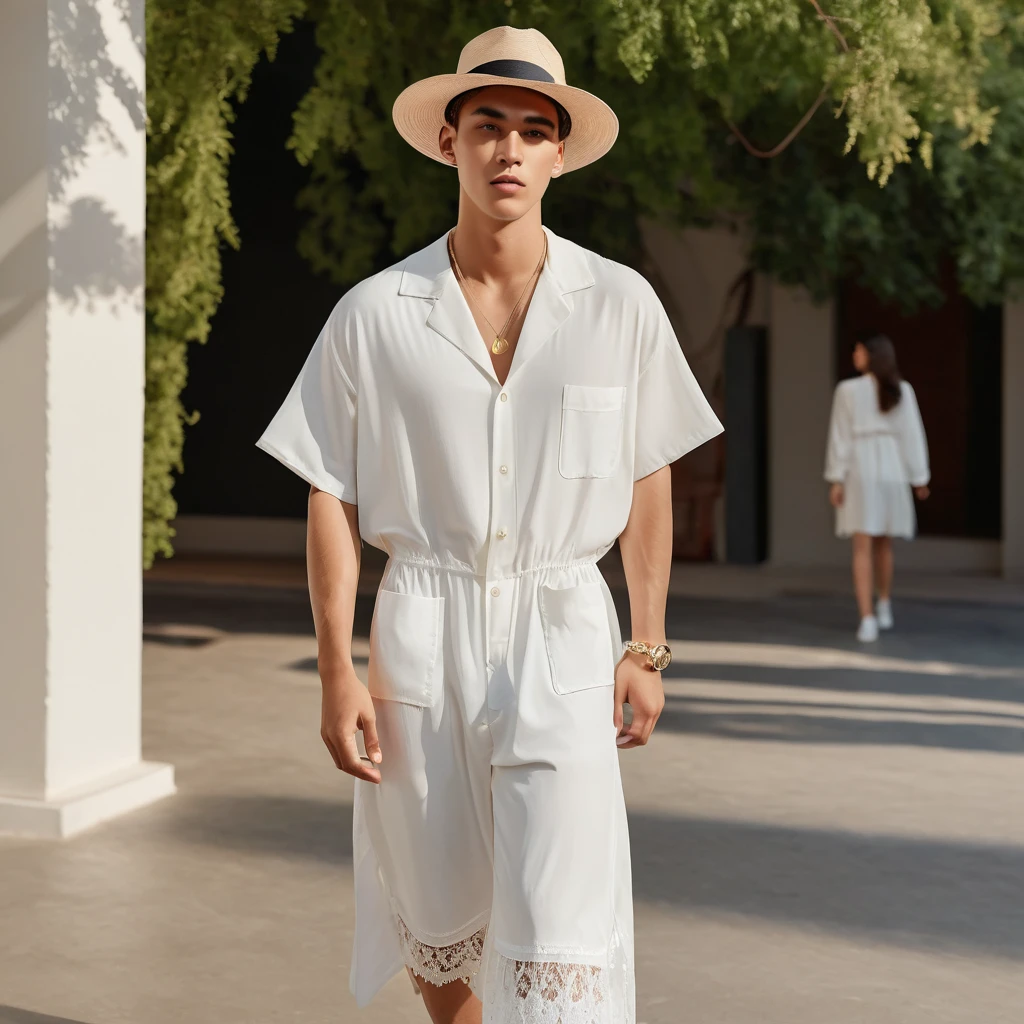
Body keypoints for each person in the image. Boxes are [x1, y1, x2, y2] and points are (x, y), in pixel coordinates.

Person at [256, 25, 722, 1024]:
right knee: (438, 912)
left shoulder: (620, 307)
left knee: (560, 919)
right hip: (421, 627)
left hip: (563, 627)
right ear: (446, 142)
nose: (508, 147)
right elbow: (328, 491)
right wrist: (336, 667)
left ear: (559, 153)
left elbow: (648, 480)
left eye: (531, 129)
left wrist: (646, 642)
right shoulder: (375, 314)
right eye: (487, 126)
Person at [825, 331, 930, 643]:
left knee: (872, 542)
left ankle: (876, 608)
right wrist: (918, 476)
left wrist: (837, 476)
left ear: (872, 354)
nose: (855, 355)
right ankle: (872, 611)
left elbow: (908, 432)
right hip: (882, 467)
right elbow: (912, 434)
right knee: (874, 541)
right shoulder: (855, 390)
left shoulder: (897, 390)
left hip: (870, 467)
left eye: (858, 350)